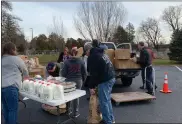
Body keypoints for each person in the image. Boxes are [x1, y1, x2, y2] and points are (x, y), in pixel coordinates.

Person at [87, 40, 116, 124]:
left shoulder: (93, 56)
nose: (86, 55)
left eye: (86, 52)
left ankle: (108, 121)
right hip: (111, 77)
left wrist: (91, 87)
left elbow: (93, 73)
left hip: (105, 80)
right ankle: (111, 119)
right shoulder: (101, 53)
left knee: (104, 102)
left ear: (89, 50)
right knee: (107, 100)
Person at [2, 42, 29, 124]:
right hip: (11, 88)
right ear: (13, 50)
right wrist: (26, 80)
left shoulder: (1, 59)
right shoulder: (16, 59)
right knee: (12, 110)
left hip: (1, 88)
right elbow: (25, 71)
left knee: (6, 109)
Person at [61, 46, 87, 118]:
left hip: (68, 81)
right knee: (76, 97)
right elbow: (85, 73)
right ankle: (75, 113)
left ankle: (68, 111)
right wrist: (83, 81)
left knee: (68, 95)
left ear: (71, 52)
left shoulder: (66, 62)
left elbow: (63, 73)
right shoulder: (81, 61)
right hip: (78, 81)